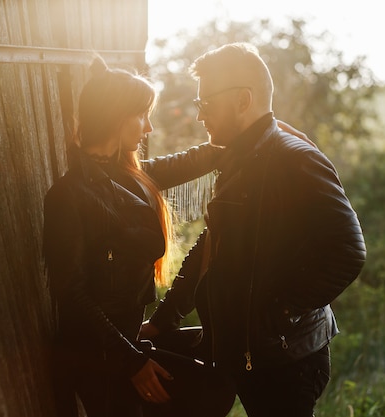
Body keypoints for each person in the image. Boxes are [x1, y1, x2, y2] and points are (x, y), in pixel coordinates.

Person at [140, 42, 367, 417]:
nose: (200, 117)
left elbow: (349, 250)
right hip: (245, 350)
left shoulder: (294, 159)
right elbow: (213, 246)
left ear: (243, 100)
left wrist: (279, 310)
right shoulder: (237, 155)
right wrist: (165, 321)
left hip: (285, 360)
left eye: (206, 105)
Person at [43, 56, 236, 417]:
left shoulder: (128, 175)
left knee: (221, 367)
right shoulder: (68, 196)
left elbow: (184, 163)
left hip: (127, 338)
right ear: (117, 118)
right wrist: (131, 360)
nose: (148, 128)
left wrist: (253, 138)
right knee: (208, 393)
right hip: (97, 351)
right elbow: (70, 294)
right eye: (141, 116)